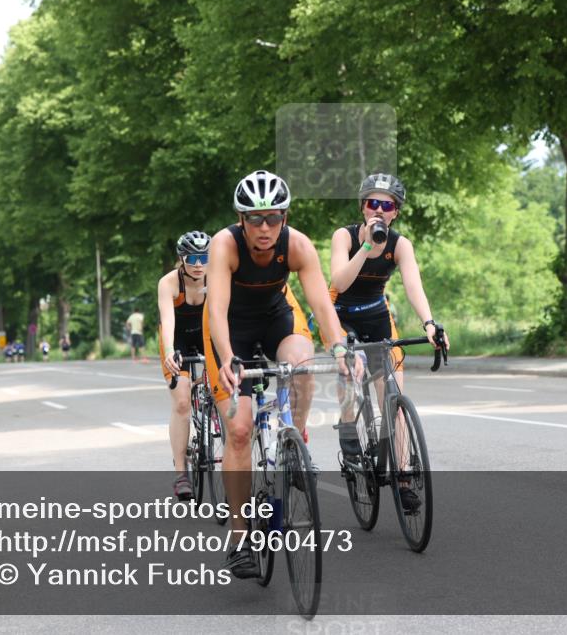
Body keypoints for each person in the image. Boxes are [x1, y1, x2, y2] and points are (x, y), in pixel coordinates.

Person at [204, 170, 358, 579]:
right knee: (238, 429)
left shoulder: (298, 245)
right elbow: (216, 309)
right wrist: (227, 357)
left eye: (273, 217)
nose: (265, 227)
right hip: (229, 328)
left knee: (302, 363)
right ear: (241, 220)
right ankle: (239, 539)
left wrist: (340, 346)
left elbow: (322, 308)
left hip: (275, 316)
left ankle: (295, 440)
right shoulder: (225, 245)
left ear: (285, 217)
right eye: (255, 219)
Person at [326, 172, 449, 513]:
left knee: (393, 398)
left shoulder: (401, 244)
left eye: (387, 205)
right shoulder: (345, 236)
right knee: (350, 373)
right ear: (363, 207)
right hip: (342, 315)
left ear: (395, 211)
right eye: (372, 203)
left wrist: (429, 323)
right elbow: (340, 279)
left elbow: (413, 287)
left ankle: (405, 475)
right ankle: (349, 429)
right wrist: (366, 246)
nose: (379, 210)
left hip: (377, 315)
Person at [157, 230, 210, 500]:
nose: (199, 264)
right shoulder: (169, 283)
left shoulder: (217, 278)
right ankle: (181, 473)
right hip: (177, 338)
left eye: (204, 257)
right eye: (192, 257)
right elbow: (168, 322)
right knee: (181, 402)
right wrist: (169, 351)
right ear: (182, 258)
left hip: (206, 335)